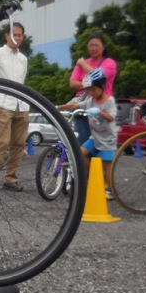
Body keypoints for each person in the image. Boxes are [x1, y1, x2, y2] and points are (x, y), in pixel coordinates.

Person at [58, 69, 117, 197]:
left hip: (107, 139)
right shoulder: (90, 101)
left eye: (93, 89)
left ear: (101, 87)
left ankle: (110, 190)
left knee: (107, 166)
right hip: (94, 138)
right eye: (89, 90)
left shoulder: (109, 101)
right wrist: (57, 107)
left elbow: (111, 118)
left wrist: (99, 112)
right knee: (79, 155)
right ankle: (95, 178)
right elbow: (75, 105)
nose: (91, 92)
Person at [0, 22, 29, 192]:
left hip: (21, 104)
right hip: (3, 102)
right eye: (14, 35)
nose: (17, 38)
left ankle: (10, 179)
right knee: (2, 142)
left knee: (19, 143)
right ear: (6, 36)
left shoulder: (23, 58)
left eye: (20, 35)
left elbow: (22, 81)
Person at [68, 33, 117, 144]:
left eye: (96, 45)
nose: (93, 48)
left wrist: (82, 63)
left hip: (102, 109)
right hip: (83, 109)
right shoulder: (84, 63)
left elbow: (97, 76)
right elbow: (72, 84)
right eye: (91, 45)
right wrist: (91, 84)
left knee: (101, 145)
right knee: (82, 145)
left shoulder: (109, 63)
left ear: (103, 47)